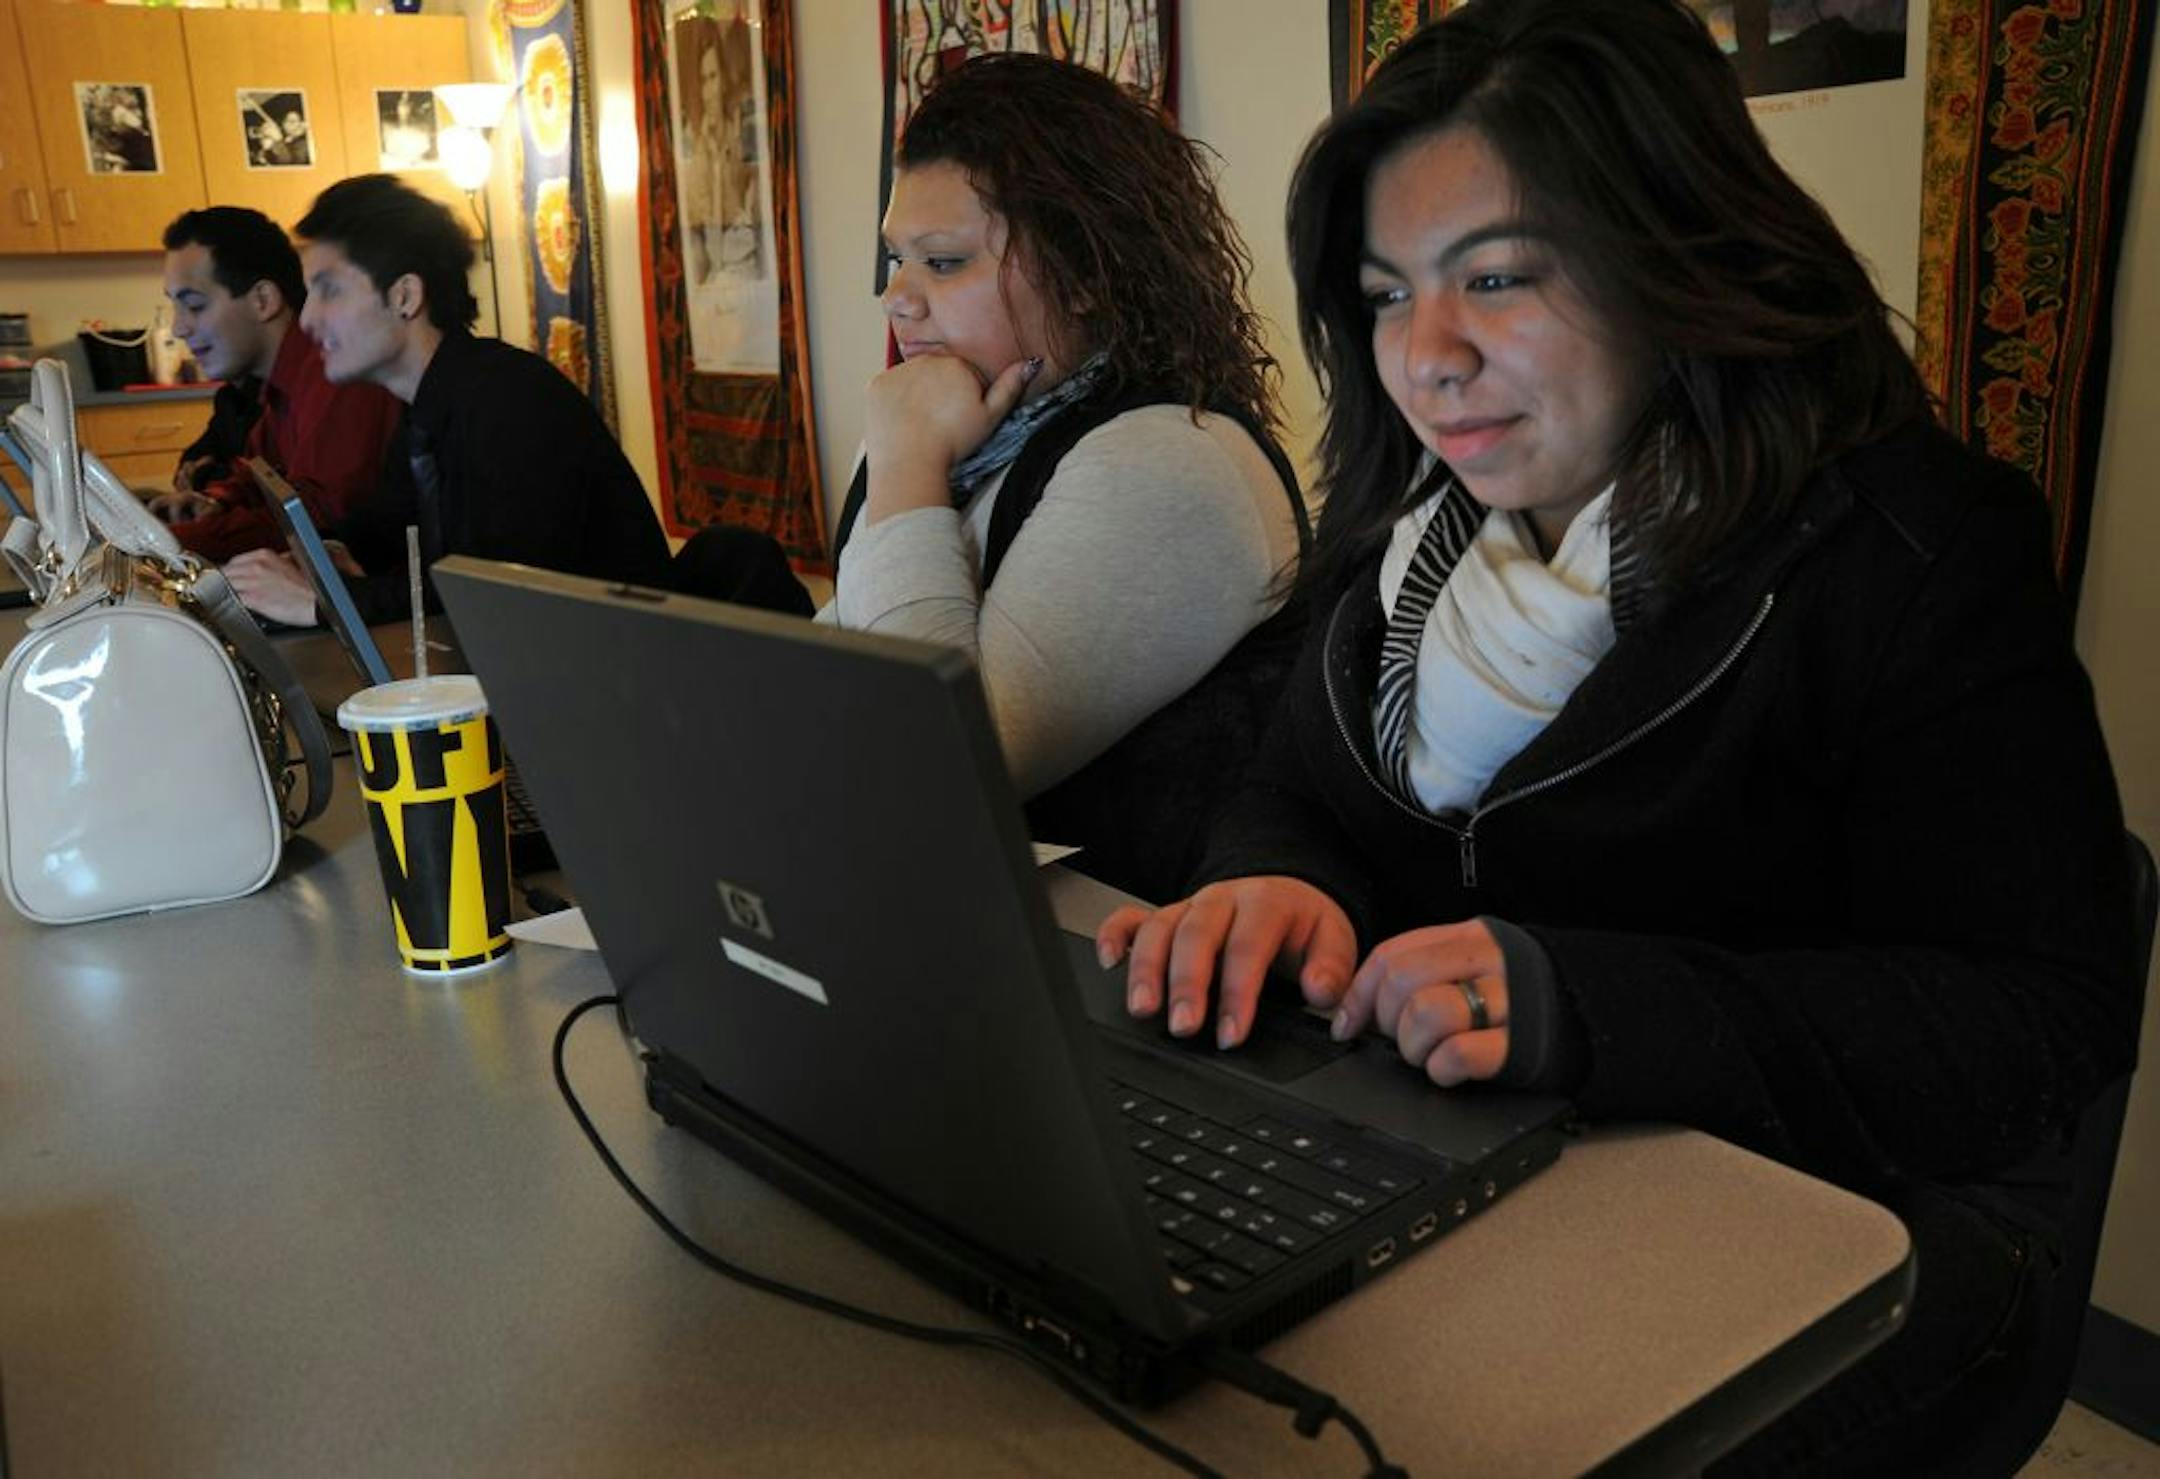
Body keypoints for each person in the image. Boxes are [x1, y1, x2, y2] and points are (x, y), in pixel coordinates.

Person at [1097, 2, 2135, 1472]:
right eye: (1389, 295)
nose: (1426, 356)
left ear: (1676, 258)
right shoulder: (1415, 531)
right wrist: (1283, 874)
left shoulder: (1907, 554)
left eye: (1498, 277)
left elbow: (2038, 1015)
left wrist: (1584, 1002)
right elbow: (1296, 788)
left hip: (1854, 1218)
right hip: (1493, 1161)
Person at [822, 52, 1308, 901]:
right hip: (963, 946)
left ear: (1084, 272)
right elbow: (826, 692)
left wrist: (902, 468)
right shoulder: (950, 430)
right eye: (896, 258)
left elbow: (938, 765)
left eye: (943, 262)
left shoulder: (1173, 461)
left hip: (1129, 995)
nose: (898, 298)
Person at [224, 174, 672, 628]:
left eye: (329, 290)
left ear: (405, 295)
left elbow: (497, 595)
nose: (306, 319)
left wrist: (323, 604)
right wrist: (325, 557)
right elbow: (383, 530)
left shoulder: (510, 401)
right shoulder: (426, 407)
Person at [150, 207, 402, 564]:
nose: (178, 328)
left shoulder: (336, 372)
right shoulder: (277, 389)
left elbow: (319, 523)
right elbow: (260, 479)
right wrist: (215, 502)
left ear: (263, 301)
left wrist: (163, 545)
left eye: (194, 305)